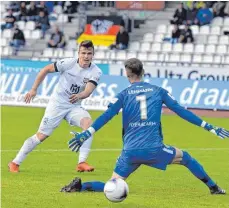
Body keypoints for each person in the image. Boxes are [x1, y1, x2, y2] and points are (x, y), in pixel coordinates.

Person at [61, 58, 228, 194]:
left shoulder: (123, 95)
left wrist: (86, 133)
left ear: (127, 75)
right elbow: (181, 111)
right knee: (187, 159)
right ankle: (214, 188)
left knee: (113, 184)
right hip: (154, 149)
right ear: (143, 72)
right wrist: (209, 126)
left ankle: (81, 187)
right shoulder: (158, 91)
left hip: (130, 152)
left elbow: (107, 116)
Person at [8, 40, 102, 173]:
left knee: (88, 125)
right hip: (57, 104)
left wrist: (80, 95)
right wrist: (34, 89)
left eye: (89, 53)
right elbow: (46, 69)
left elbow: (88, 91)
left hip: (74, 106)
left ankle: (81, 162)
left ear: (93, 54)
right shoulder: (68, 63)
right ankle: (15, 162)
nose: (86, 56)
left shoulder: (96, 71)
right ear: (78, 53)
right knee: (41, 136)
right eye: (83, 53)